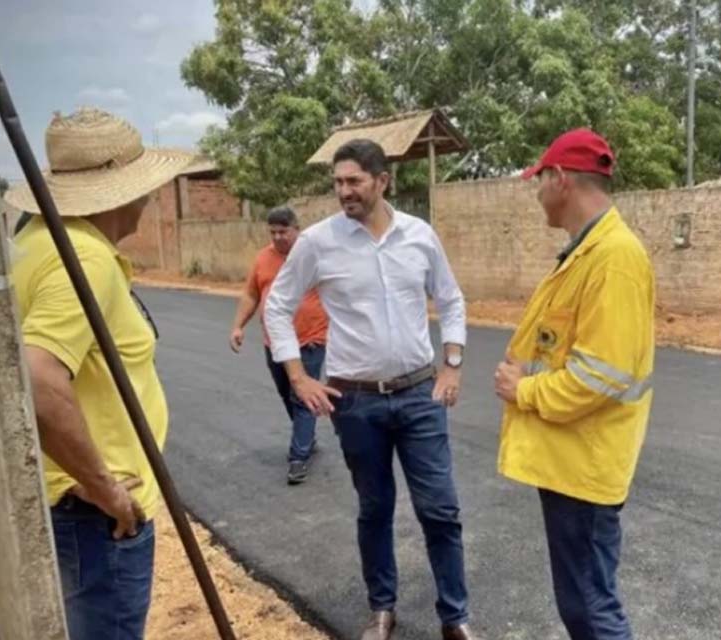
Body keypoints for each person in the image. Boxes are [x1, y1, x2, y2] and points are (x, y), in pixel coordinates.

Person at [265, 139, 479, 640]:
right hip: (354, 402)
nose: (344, 191)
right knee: (375, 507)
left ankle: (455, 616)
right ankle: (381, 608)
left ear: (383, 181)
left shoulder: (419, 236)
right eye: (338, 182)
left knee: (440, 509)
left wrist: (452, 365)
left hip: (419, 394)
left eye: (354, 181)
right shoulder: (318, 242)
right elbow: (278, 306)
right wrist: (298, 376)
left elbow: (450, 300)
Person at [5, 107, 193, 640]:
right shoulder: (83, 259)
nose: (150, 198)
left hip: (70, 507)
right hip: (97, 516)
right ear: (122, 193)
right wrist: (105, 486)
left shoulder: (37, 240)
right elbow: (39, 379)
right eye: (146, 188)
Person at [494, 128, 655, 640]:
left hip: (584, 466)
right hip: (571, 460)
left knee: (591, 608)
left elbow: (601, 375)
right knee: (582, 602)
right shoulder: (588, 251)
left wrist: (524, 390)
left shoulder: (614, 258)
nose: (537, 191)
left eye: (539, 180)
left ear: (560, 178)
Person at [229, 206, 328, 484]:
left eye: (283, 231)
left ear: (296, 228)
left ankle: (298, 457)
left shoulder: (312, 255)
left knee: (302, 397)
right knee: (287, 394)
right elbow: (251, 294)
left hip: (310, 339)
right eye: (273, 232)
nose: (278, 237)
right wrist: (238, 325)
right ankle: (306, 436)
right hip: (274, 342)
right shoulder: (263, 258)